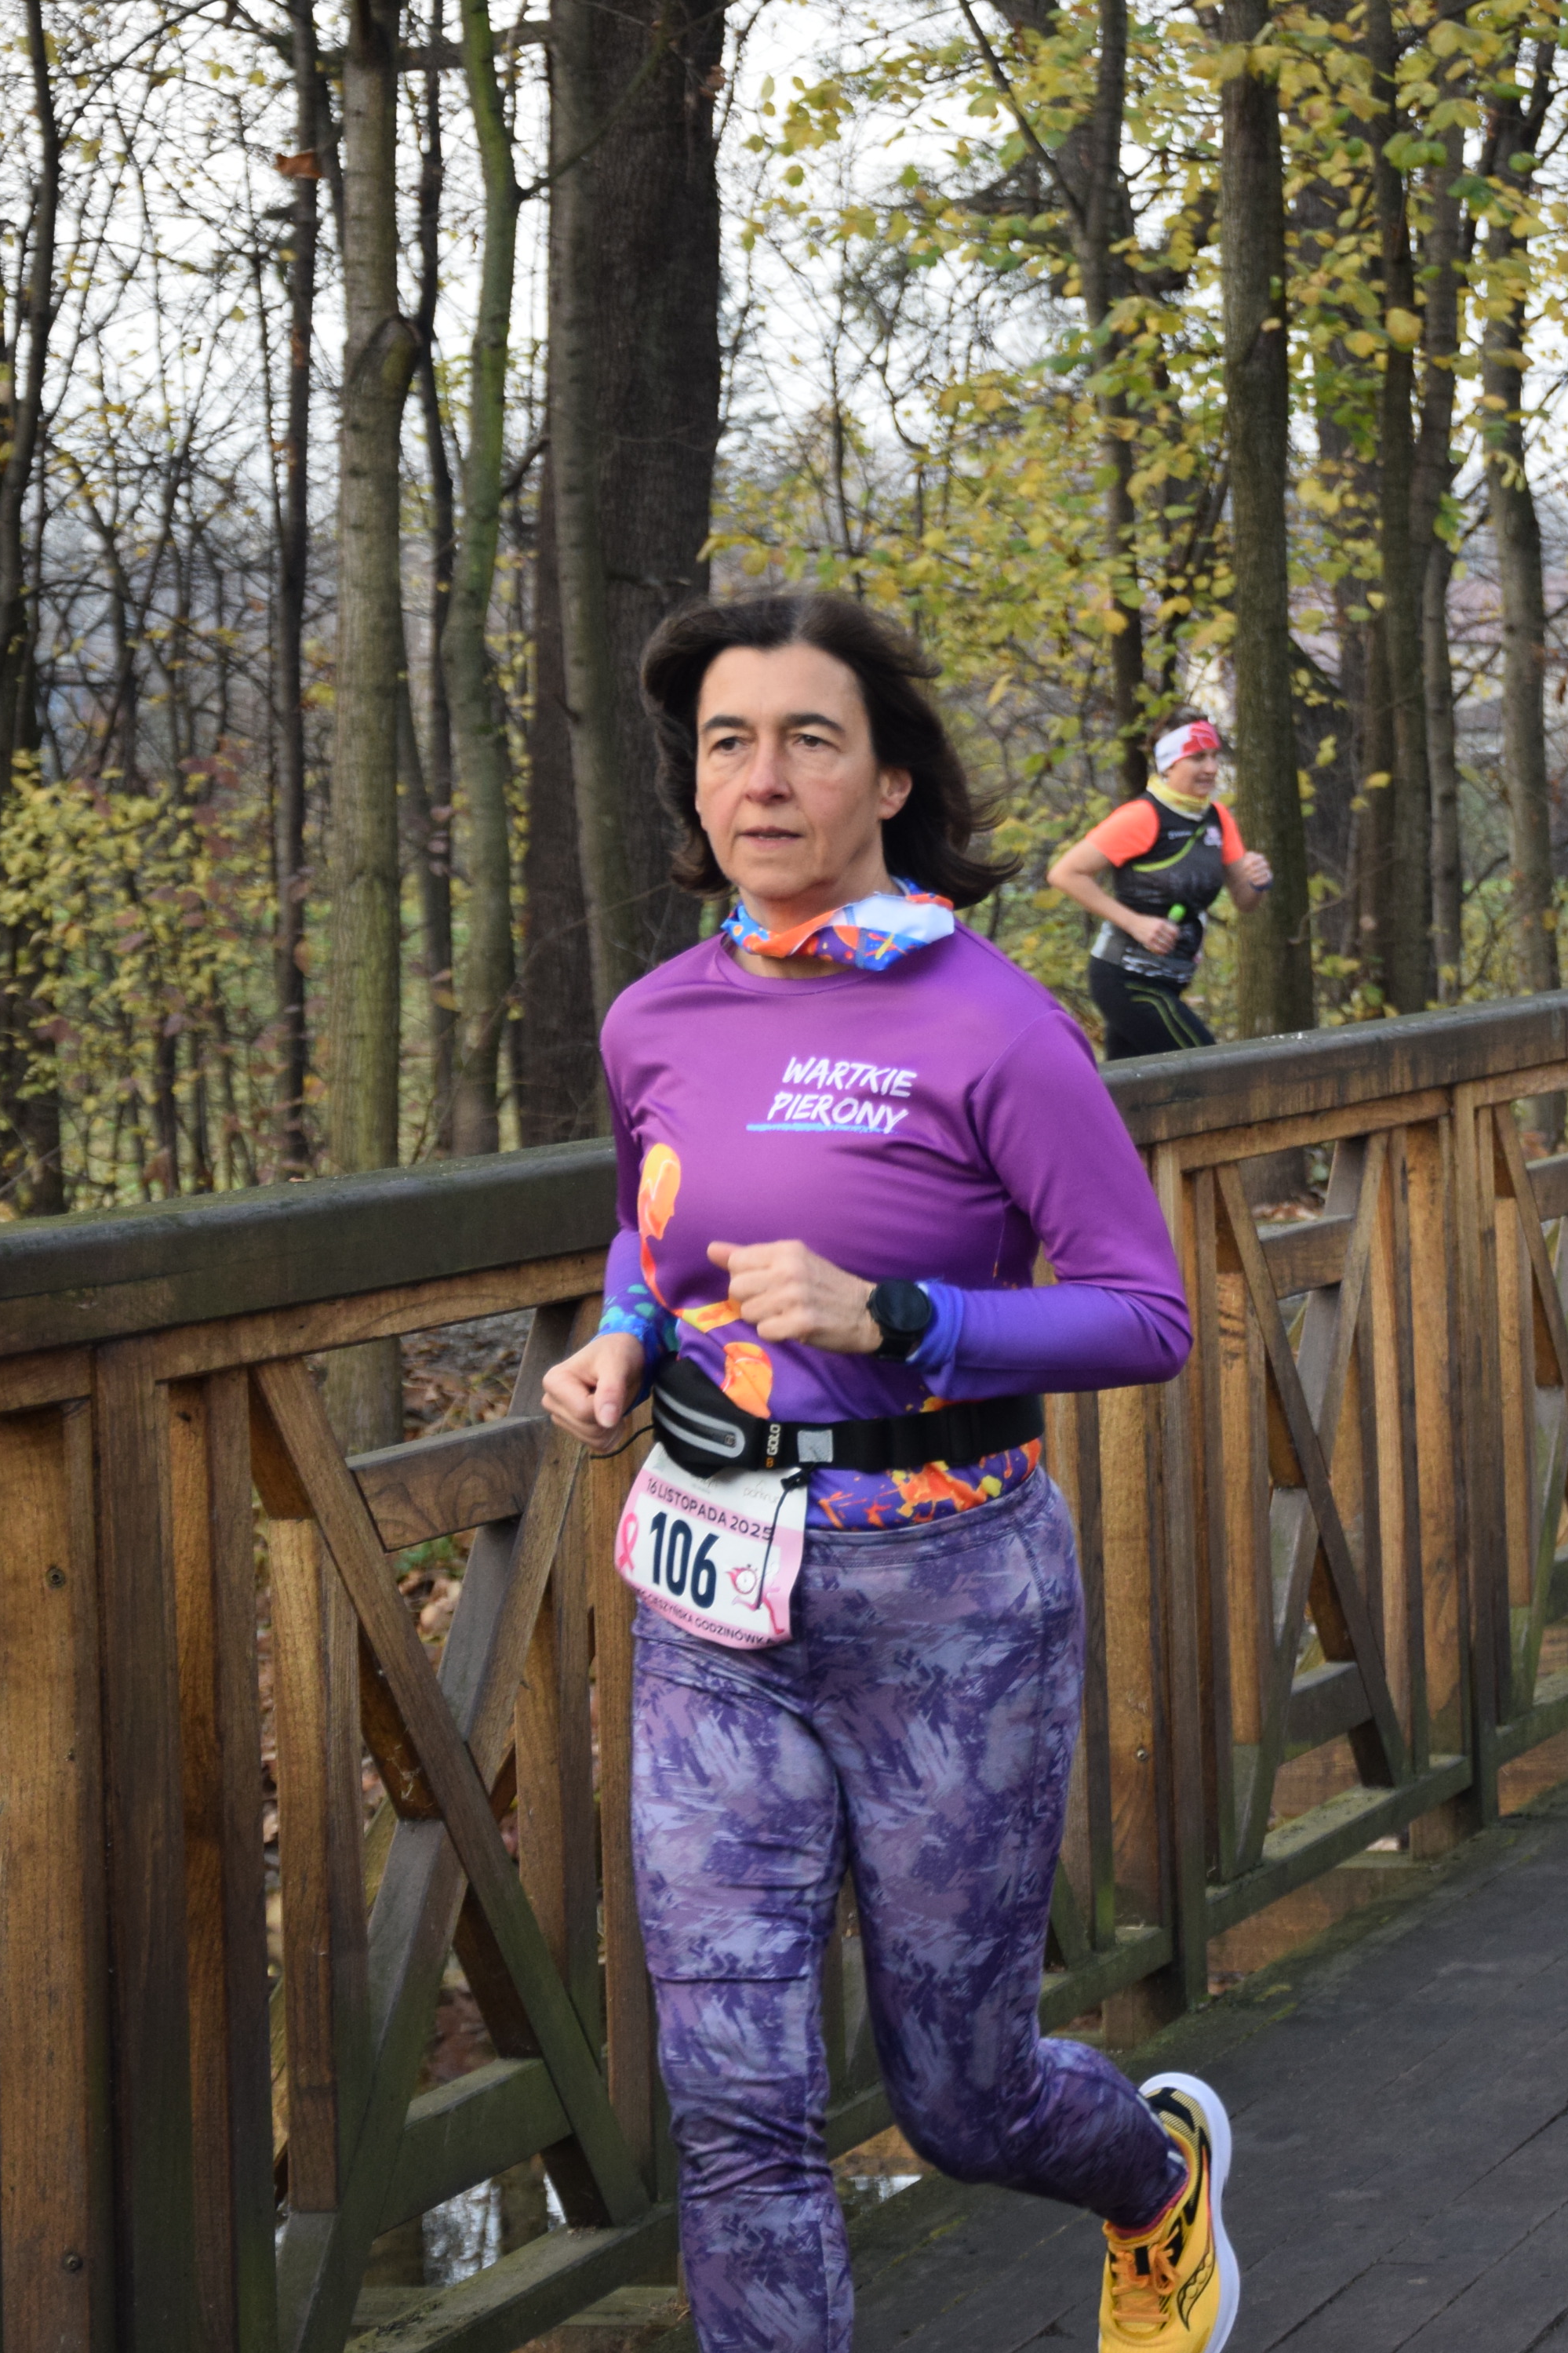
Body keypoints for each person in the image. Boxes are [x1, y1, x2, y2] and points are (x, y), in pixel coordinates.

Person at [539, 591, 1239, 2353]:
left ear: (890, 780)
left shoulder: (993, 1025)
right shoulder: (654, 1019)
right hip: (712, 1592)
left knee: (961, 2095)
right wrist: (623, 1334)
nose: (761, 779)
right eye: (727, 742)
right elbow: (653, 1223)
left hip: (950, 1600)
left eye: (808, 740)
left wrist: (903, 1314)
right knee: (736, 2107)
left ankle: (1153, 2180)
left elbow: (1146, 1316)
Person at [1047, 713, 1274, 1057]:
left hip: (1171, 980)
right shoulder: (1143, 816)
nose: (1212, 768)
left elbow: (1245, 902)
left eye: (1215, 756)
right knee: (1210, 1067)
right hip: (1126, 978)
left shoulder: (1218, 818)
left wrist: (1257, 882)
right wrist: (1135, 923)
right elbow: (1065, 874)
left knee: (1132, 1086)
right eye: (1198, 758)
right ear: (1169, 763)